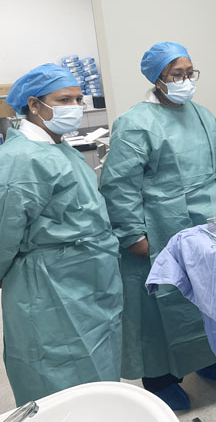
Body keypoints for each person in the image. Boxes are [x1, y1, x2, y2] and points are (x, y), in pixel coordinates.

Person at [100, 42, 216, 410]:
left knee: (204, 296)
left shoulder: (202, 115)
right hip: (157, 226)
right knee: (161, 303)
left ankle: (206, 357)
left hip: (204, 224)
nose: (185, 81)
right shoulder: (135, 123)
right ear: (158, 78)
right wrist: (133, 234)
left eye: (189, 73)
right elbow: (119, 184)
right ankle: (160, 378)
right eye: (176, 74)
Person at [0, 64, 122, 405]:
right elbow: (4, 233)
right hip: (47, 289)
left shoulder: (59, 147)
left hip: (88, 280)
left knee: (98, 366)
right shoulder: (19, 160)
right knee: (57, 373)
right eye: (64, 100)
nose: (75, 107)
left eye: (78, 99)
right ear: (34, 105)